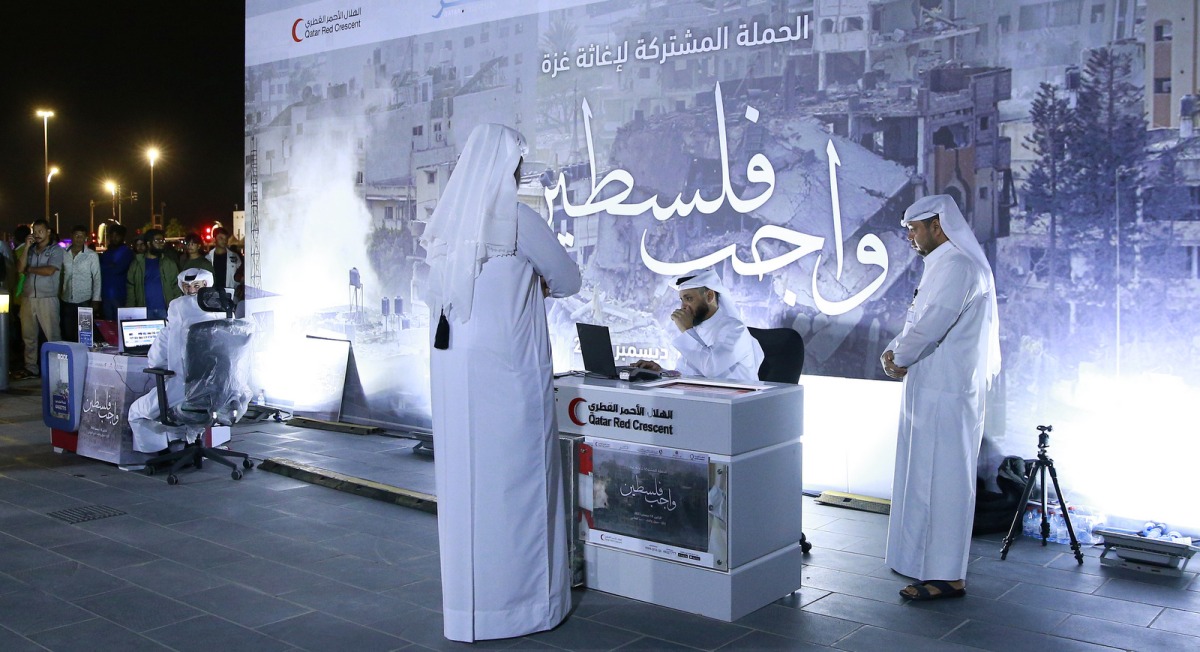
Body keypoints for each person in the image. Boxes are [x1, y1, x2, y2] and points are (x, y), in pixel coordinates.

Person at [422, 123, 581, 642]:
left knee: (470, 490)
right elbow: (569, 279)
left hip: (455, 377)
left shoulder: (446, 227)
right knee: (519, 486)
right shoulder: (517, 219)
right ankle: (527, 607)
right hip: (509, 373)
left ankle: (470, 614)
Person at [879, 194, 1001, 601]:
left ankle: (948, 575)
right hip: (929, 387)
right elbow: (917, 319)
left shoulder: (960, 267)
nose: (911, 237)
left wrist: (900, 356)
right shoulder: (941, 266)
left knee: (945, 483)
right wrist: (895, 351)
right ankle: (920, 563)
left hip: (948, 392)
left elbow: (933, 324)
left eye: (915, 229)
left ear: (937, 225)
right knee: (922, 479)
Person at [127, 269, 222, 453]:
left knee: (136, 412)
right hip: (220, 394)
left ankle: (156, 455)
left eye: (196, 286)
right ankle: (184, 449)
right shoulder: (224, 313)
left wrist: (159, 367)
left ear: (205, 286)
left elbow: (156, 360)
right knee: (184, 413)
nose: (190, 291)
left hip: (184, 391)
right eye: (186, 286)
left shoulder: (178, 313)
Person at [632, 268, 764, 382]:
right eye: (682, 300)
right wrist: (660, 371)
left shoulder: (735, 329)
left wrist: (687, 330)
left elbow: (711, 368)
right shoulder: (696, 329)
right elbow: (685, 375)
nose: (683, 307)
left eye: (689, 299)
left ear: (710, 296)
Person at [14, 219, 63, 378]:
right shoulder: (30, 250)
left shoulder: (56, 250)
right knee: (28, 336)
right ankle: (31, 368)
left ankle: (57, 369)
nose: (37, 235)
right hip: (28, 298)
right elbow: (20, 269)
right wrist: (27, 247)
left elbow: (49, 270)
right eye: (35, 231)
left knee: (52, 335)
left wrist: (31, 269)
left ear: (48, 231)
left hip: (47, 298)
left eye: (41, 231)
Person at [126, 229, 181, 319]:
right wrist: (130, 310)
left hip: (166, 311)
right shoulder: (136, 264)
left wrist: (176, 309)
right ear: (148, 243)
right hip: (144, 311)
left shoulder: (169, 263)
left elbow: (176, 287)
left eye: (162, 240)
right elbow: (131, 289)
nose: (161, 243)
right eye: (157, 240)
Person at [60, 225, 102, 343]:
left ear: (85, 238)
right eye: (76, 235)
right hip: (66, 299)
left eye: (81, 236)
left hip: (84, 300)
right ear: (71, 236)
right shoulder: (63, 253)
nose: (78, 239)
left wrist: (96, 299)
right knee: (68, 332)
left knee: (84, 333)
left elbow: (97, 278)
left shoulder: (91, 255)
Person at [99, 223, 135, 321]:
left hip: (120, 294)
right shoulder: (107, 253)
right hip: (105, 294)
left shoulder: (126, 252)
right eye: (112, 236)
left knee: (119, 322)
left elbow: (117, 269)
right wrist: (110, 266)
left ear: (122, 237)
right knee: (108, 324)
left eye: (117, 236)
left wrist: (106, 267)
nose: (114, 238)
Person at [206, 227, 242, 295]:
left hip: (230, 293)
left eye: (226, 239)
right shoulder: (207, 258)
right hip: (212, 293)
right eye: (221, 238)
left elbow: (240, 274)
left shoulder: (235, 257)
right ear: (214, 239)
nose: (224, 241)